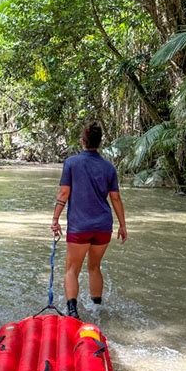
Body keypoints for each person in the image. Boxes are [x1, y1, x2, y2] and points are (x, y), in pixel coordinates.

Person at [51, 122, 127, 318]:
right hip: (103, 225)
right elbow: (116, 198)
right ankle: (97, 309)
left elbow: (64, 193)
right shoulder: (108, 167)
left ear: (82, 141)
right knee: (94, 267)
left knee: (71, 268)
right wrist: (123, 226)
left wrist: (55, 219)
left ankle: (72, 313)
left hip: (79, 225)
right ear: (99, 142)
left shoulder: (71, 163)